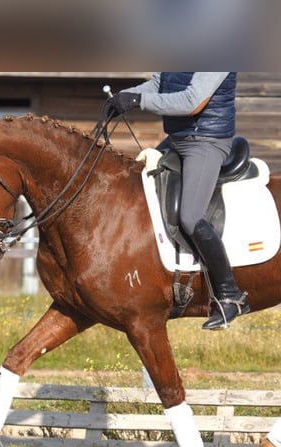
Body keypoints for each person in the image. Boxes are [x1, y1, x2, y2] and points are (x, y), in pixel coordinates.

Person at [106, 72, 250, 330]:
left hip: (206, 140)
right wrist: (125, 96)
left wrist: (138, 101)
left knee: (190, 216)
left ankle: (231, 295)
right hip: (177, 139)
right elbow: (158, 83)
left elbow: (192, 101)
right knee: (137, 188)